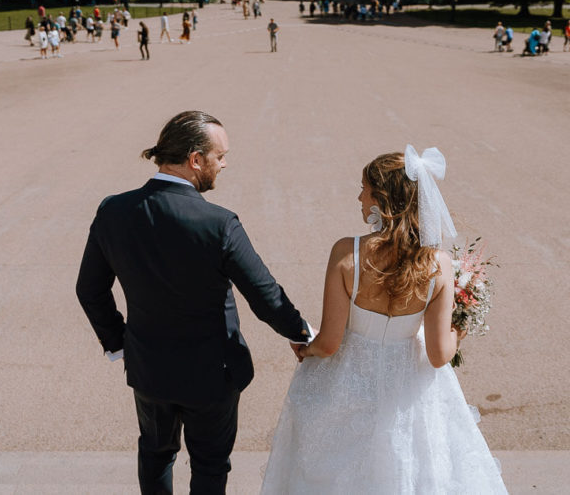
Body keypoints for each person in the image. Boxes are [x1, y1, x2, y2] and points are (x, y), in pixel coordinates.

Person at [76, 111, 312, 494]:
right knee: (210, 465)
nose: (225, 164)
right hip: (212, 375)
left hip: (148, 369)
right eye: (220, 156)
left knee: (155, 456)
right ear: (195, 159)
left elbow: (90, 289)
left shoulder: (112, 210)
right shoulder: (218, 222)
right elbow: (264, 295)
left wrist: (120, 344)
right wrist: (302, 333)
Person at [261, 147, 507, 494]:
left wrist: (307, 348)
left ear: (382, 198)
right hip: (409, 389)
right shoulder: (438, 265)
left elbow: (330, 343)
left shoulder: (347, 254)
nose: (359, 196)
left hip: (348, 384)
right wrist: (460, 329)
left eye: (364, 188)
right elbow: (439, 355)